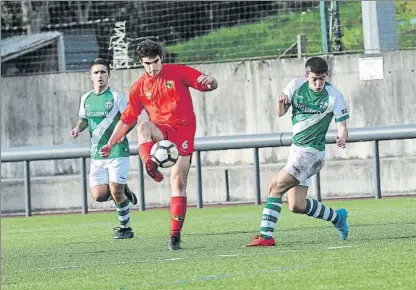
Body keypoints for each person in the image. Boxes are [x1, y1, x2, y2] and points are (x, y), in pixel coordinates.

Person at [99, 40, 218, 250]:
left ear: (161, 59)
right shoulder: (139, 87)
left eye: (155, 62)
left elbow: (206, 83)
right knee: (143, 126)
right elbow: (127, 119)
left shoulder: (178, 72)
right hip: (160, 130)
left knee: (178, 183)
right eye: (147, 63)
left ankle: (175, 235)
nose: (152, 67)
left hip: (183, 132)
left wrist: (210, 81)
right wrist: (110, 142)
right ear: (141, 63)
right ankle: (150, 164)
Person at [246, 56, 349, 247]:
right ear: (306, 76)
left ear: (327, 76)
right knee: (296, 205)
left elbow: (342, 125)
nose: (318, 84)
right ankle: (337, 217)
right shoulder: (295, 86)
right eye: (314, 79)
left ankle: (265, 236)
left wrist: (342, 135)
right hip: (296, 151)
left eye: (322, 79)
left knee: (275, 186)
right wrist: (280, 102)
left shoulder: (334, 96)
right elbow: (280, 112)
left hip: (312, 153)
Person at [70, 58, 138, 240]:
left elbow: (130, 119)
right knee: (99, 196)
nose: (100, 76)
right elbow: (84, 120)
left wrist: (123, 132)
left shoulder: (116, 97)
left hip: (117, 151)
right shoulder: (86, 98)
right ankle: (123, 191)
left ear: (109, 75)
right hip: (97, 154)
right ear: (90, 76)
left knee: (115, 191)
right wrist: (77, 128)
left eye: (103, 72)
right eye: (96, 73)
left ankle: (126, 228)